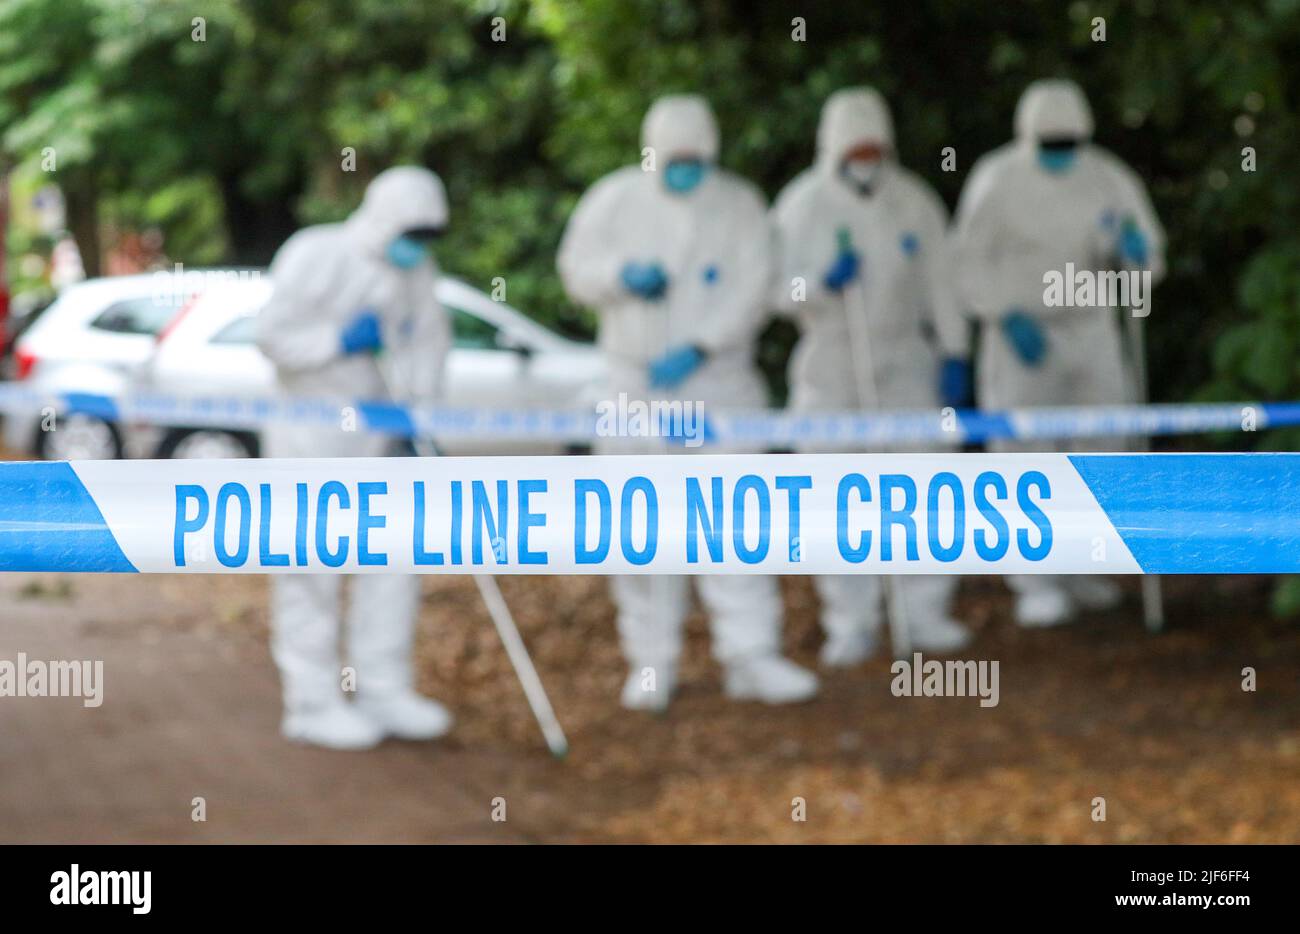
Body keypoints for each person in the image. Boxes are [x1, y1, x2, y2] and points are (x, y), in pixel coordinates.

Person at [557, 94, 819, 711]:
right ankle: (651, 662)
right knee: (640, 524)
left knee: (736, 521)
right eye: (674, 158)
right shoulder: (614, 199)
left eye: (696, 158)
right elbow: (575, 268)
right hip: (633, 384)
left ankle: (750, 655)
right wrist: (621, 276)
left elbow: (757, 286)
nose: (687, 167)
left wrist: (703, 345)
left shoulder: (741, 205)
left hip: (720, 384)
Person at [951, 78, 1165, 627]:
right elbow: (966, 262)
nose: (1060, 154)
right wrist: (1003, 312)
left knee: (1101, 443)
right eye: (1050, 144)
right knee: (1026, 450)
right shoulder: (996, 180)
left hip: (1091, 327)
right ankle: (1035, 581)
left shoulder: (1108, 178)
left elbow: (1147, 259)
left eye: (1069, 143)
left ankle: (1081, 565)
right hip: (1021, 333)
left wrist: (1134, 255)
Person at [771, 87, 973, 666]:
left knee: (926, 488)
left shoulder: (915, 202)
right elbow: (776, 292)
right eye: (853, 148)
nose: (865, 158)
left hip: (907, 362)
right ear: (832, 149)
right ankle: (850, 621)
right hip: (830, 367)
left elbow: (943, 282)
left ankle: (924, 612)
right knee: (836, 497)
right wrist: (819, 281)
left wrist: (955, 350)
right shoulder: (802, 205)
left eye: (873, 147)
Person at [256, 166, 454, 749]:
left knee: (392, 562)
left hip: (382, 439)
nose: (417, 245)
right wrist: (335, 342)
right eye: (411, 231)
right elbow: (271, 337)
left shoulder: (417, 271)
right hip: (310, 439)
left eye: (427, 235)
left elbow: (430, 343)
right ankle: (312, 703)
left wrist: (420, 410)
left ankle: (383, 688)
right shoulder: (316, 254)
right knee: (311, 566)